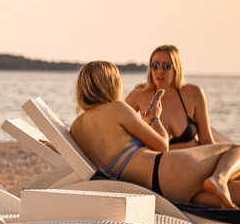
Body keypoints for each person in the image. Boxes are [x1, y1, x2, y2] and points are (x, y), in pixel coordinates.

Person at [70, 61, 240, 209]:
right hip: (165, 170)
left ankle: (219, 184)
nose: (121, 81)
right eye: (118, 78)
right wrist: (154, 118)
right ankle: (219, 178)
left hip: (156, 191)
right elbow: (162, 145)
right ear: (110, 84)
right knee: (234, 149)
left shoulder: (76, 127)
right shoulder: (117, 108)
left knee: (234, 192)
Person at [124, 45, 213, 149]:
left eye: (166, 66)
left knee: (235, 151)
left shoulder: (194, 94)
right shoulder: (139, 94)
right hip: (158, 163)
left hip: (193, 161)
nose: (160, 71)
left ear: (176, 69)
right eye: (155, 65)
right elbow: (117, 124)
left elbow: (206, 140)